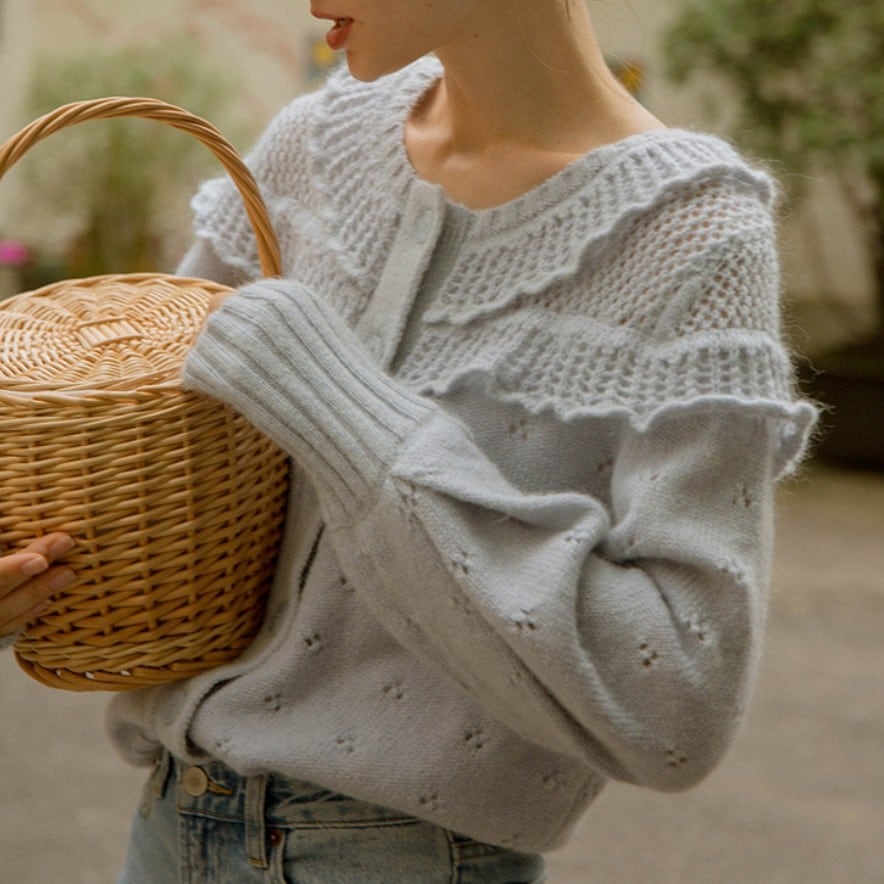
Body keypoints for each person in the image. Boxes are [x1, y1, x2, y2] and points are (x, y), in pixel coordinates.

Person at [2, 1, 816, 880]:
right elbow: (142, 468)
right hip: (170, 823)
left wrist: (340, 407)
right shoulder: (312, 144)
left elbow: (679, 706)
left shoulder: (691, 237)